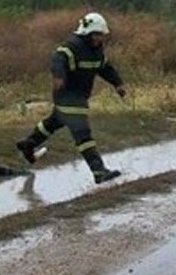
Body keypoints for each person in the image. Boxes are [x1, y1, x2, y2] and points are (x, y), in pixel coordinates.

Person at [16, 12, 126, 183]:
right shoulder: (73, 46)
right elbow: (57, 59)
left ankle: (28, 144)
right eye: (97, 35)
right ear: (88, 33)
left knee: (54, 122)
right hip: (68, 97)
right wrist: (59, 76)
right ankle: (99, 171)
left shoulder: (96, 51)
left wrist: (118, 83)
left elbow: (105, 68)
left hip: (78, 97)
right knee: (83, 135)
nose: (100, 39)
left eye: (101, 35)